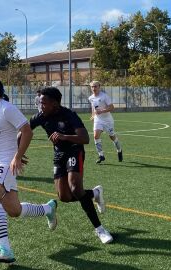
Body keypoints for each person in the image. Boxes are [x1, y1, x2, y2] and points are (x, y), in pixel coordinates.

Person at [0, 77, 57, 264]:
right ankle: (48, 209)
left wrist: (17, 156)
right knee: (14, 210)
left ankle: (5, 250)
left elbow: (27, 131)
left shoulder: (7, 108)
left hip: (5, 162)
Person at [29, 86, 113, 244]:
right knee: (65, 197)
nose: (40, 106)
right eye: (40, 103)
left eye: (43, 103)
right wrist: (17, 154)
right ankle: (94, 194)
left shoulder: (69, 115)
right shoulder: (40, 116)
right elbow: (25, 130)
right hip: (59, 155)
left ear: (54, 104)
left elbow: (84, 138)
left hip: (74, 151)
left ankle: (100, 229)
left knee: (75, 188)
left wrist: (64, 136)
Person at [88, 81, 123, 164]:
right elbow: (93, 108)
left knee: (112, 137)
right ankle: (101, 155)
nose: (94, 88)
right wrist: (93, 115)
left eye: (95, 86)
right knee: (96, 136)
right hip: (98, 119)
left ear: (99, 87)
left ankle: (119, 150)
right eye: (92, 87)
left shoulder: (104, 96)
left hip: (107, 120)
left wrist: (103, 111)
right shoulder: (90, 98)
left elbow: (112, 107)